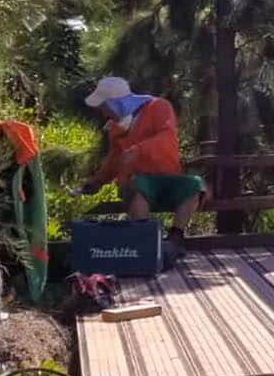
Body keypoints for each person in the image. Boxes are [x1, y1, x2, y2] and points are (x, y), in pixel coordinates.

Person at [77, 77, 204, 252]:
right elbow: (114, 160)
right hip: (137, 181)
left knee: (194, 185)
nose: (104, 114)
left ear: (116, 103)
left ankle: (176, 236)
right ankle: (143, 239)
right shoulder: (115, 128)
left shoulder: (159, 107)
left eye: (105, 108)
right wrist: (97, 181)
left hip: (168, 177)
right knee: (137, 187)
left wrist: (138, 150)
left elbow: (167, 137)